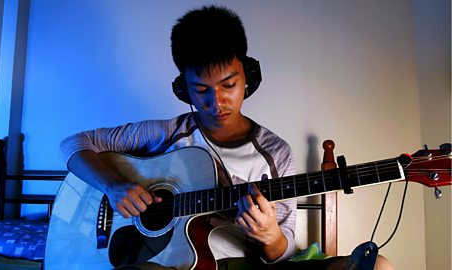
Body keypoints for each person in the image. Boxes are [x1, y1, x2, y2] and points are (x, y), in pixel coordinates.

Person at [60, 5, 394, 270]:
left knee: (380, 266)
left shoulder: (275, 152)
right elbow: (74, 145)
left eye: (228, 86)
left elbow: (282, 253)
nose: (216, 102)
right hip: (169, 266)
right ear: (183, 89)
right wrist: (113, 186)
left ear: (248, 78)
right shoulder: (166, 133)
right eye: (201, 90)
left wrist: (270, 235)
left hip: (245, 264)